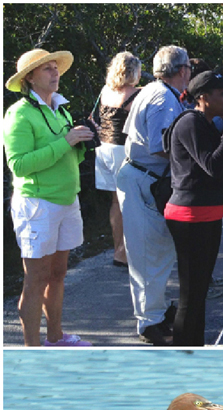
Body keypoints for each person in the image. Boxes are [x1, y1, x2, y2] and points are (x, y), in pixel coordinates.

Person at [4, 48, 95, 347]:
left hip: (67, 200)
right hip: (37, 204)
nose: (55, 73)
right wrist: (66, 141)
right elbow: (19, 164)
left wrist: (81, 143)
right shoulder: (19, 113)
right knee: (36, 280)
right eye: (47, 69)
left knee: (58, 273)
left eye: (56, 68)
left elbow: (67, 156)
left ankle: (55, 337)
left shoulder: (62, 109)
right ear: (29, 77)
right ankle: (32, 352)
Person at [116, 45, 191, 346]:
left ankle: (155, 313)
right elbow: (160, 145)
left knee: (154, 252)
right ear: (182, 70)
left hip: (142, 176)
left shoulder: (153, 90)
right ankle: (149, 323)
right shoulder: (163, 98)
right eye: (188, 68)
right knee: (149, 254)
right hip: (145, 179)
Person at [164, 71, 223, 346]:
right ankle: (183, 354)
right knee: (190, 295)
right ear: (203, 97)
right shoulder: (190, 122)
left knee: (199, 292)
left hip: (207, 214)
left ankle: (195, 349)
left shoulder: (208, 123)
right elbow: (211, 164)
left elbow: (213, 168)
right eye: (222, 94)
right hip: (189, 216)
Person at [94, 51, 142, 268]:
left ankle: (118, 251)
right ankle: (131, 252)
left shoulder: (105, 91)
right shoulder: (136, 94)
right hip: (123, 149)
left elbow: (93, 117)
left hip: (103, 148)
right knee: (130, 202)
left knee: (115, 202)